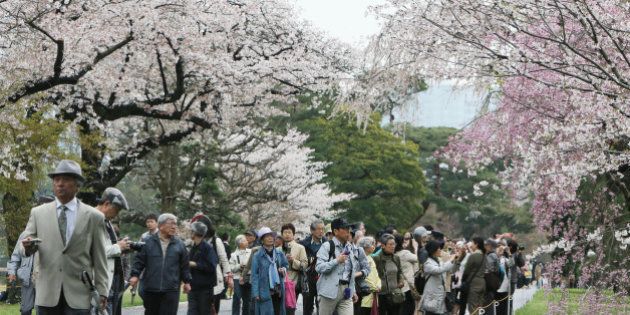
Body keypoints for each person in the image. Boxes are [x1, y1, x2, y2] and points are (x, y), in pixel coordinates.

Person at [20, 159, 109, 315]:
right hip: (47, 293)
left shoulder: (94, 217)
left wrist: (102, 291)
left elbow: (100, 258)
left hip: (79, 293)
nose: (60, 184)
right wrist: (27, 247)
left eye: (66, 179)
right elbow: (25, 245)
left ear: (77, 185)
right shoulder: (38, 213)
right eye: (56, 179)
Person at [129, 213, 192, 315]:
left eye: (175, 224)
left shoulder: (180, 244)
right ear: (161, 226)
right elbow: (139, 261)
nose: (174, 226)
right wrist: (135, 275)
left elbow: (184, 265)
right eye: (171, 224)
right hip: (151, 288)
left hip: (171, 289)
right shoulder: (148, 242)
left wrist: (187, 281)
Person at [316, 218, 362, 315]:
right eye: (345, 229)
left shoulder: (350, 247)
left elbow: (351, 271)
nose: (348, 232)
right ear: (336, 231)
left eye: (348, 229)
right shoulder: (327, 246)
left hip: (346, 292)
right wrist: (336, 261)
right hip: (328, 292)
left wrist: (353, 290)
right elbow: (319, 267)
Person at [96, 187, 130, 315]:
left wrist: (123, 248)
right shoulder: (93, 220)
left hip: (111, 283)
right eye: (117, 209)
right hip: (99, 283)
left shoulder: (106, 221)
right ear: (106, 204)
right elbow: (92, 251)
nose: (117, 214)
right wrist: (118, 247)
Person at [190, 214, 232, 314]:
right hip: (197, 280)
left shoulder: (216, 240)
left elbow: (223, 258)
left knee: (212, 308)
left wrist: (227, 275)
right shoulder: (194, 242)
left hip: (214, 277)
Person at [251, 227, 289, 315]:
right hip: (264, 289)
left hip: (278, 289)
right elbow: (254, 275)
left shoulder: (279, 253)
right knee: (265, 312)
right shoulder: (257, 255)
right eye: (267, 236)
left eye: (271, 236)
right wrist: (255, 293)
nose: (270, 238)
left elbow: (285, 265)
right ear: (262, 240)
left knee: (277, 311)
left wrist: (283, 269)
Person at [421, 240, 461, 315]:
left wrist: (456, 261)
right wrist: (451, 259)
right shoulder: (427, 263)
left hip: (441, 295)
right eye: (438, 248)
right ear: (433, 250)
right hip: (432, 297)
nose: (440, 250)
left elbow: (451, 270)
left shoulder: (439, 260)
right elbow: (439, 270)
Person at [188, 221, 218, 315]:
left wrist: (195, 264)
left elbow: (212, 267)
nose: (190, 233)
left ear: (196, 233)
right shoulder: (193, 247)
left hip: (205, 290)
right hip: (193, 288)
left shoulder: (208, 248)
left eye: (191, 231)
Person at [279, 223, 308, 315]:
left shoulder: (300, 248)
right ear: (282, 234)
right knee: (280, 308)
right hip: (280, 283)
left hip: (294, 282)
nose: (287, 234)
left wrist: (293, 261)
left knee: (290, 308)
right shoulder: (278, 250)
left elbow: (305, 265)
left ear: (293, 234)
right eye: (285, 232)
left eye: (289, 232)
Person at [300, 220, 326, 315]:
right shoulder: (303, 244)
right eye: (319, 229)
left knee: (322, 306)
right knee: (307, 305)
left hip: (323, 277)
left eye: (323, 229)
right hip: (308, 277)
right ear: (312, 230)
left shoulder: (328, 243)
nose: (321, 231)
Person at [373, 234, 404, 315]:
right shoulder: (376, 258)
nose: (393, 246)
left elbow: (400, 272)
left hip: (395, 294)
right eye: (390, 244)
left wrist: (400, 281)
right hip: (381, 295)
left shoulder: (396, 258)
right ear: (383, 246)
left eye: (394, 244)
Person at [7, 232, 36, 315]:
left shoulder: (49, 233)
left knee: (42, 310)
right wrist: (12, 272)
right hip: (27, 279)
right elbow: (15, 256)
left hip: (44, 279)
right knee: (25, 310)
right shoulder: (24, 235)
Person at [394, 234, 419, 315]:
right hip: (407, 286)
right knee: (409, 308)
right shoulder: (405, 254)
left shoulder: (392, 254)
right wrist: (416, 247)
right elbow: (417, 259)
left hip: (397, 286)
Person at [356, 236, 381, 315]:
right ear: (365, 246)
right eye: (372, 244)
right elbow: (364, 277)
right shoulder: (359, 259)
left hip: (374, 295)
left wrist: (379, 285)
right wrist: (374, 287)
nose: (374, 246)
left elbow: (376, 275)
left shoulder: (371, 258)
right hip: (364, 295)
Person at [462, 237, 486, 314]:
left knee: (472, 307)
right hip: (482, 283)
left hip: (474, 284)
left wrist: (463, 281)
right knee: (479, 307)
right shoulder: (484, 256)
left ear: (476, 244)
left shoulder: (473, 256)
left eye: (472, 243)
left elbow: (466, 271)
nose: (471, 245)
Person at [230, 234, 252, 315]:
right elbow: (231, 268)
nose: (247, 241)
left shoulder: (250, 252)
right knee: (237, 298)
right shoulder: (233, 255)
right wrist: (239, 266)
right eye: (245, 240)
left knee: (248, 300)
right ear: (240, 243)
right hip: (237, 278)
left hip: (249, 277)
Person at [484, 239, 501, 315]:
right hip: (492, 282)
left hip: (489, 282)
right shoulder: (493, 255)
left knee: (488, 304)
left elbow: (488, 269)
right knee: (488, 303)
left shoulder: (491, 255)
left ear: (489, 246)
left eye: (485, 245)